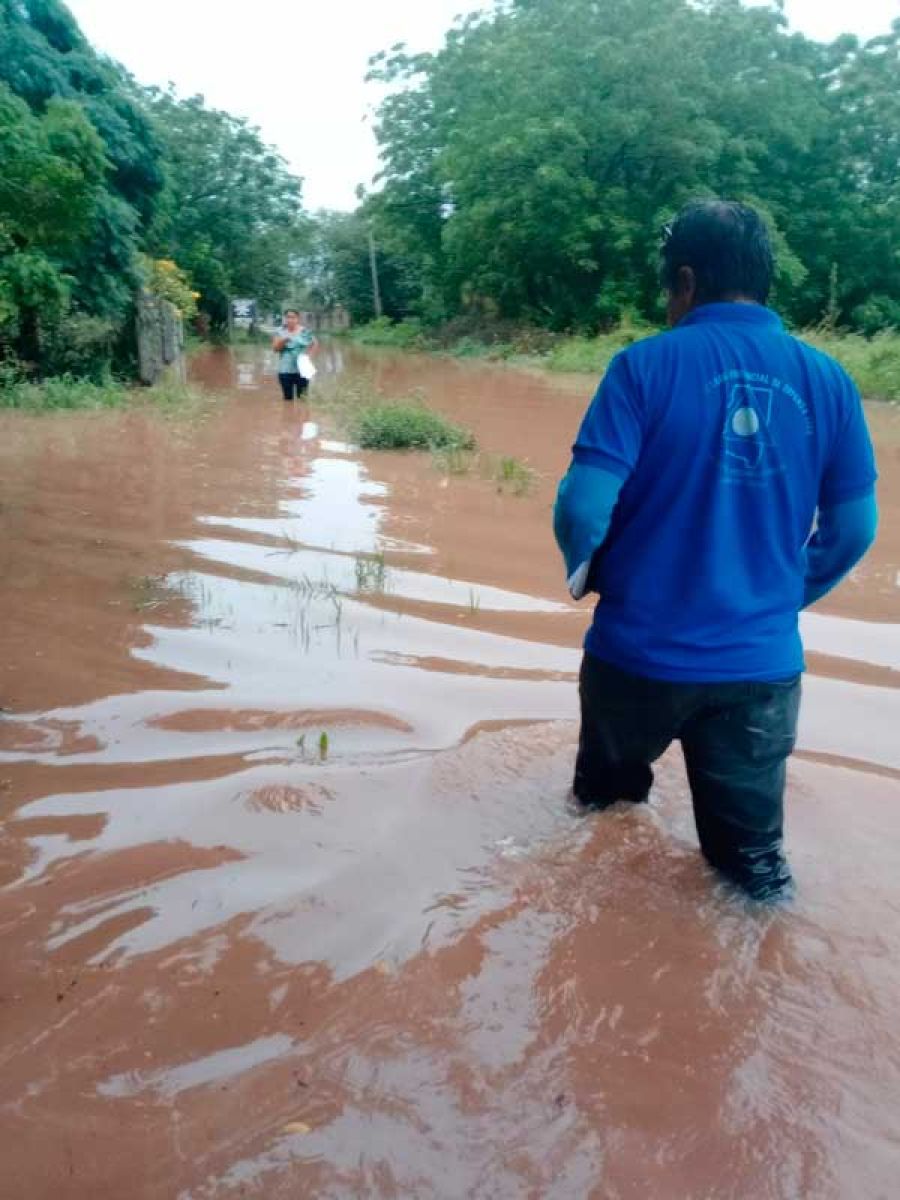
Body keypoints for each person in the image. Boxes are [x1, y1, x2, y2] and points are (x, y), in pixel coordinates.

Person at [553, 200, 878, 902]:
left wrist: (588, 573)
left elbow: (584, 505)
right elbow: (854, 530)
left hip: (635, 657)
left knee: (602, 825)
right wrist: (779, 593)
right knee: (752, 868)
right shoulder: (829, 380)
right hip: (760, 670)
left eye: (669, 288)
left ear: (688, 281)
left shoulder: (643, 366)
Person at [272, 309, 318, 400]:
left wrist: (309, 357)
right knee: (287, 399)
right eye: (288, 317)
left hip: (302, 370)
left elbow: (315, 343)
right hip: (285, 370)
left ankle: (301, 414)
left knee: (302, 398)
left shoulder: (304, 331)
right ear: (285, 319)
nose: (290, 320)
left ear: (297, 319)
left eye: (293, 317)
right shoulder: (279, 331)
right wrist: (283, 340)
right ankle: (289, 414)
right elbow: (275, 349)